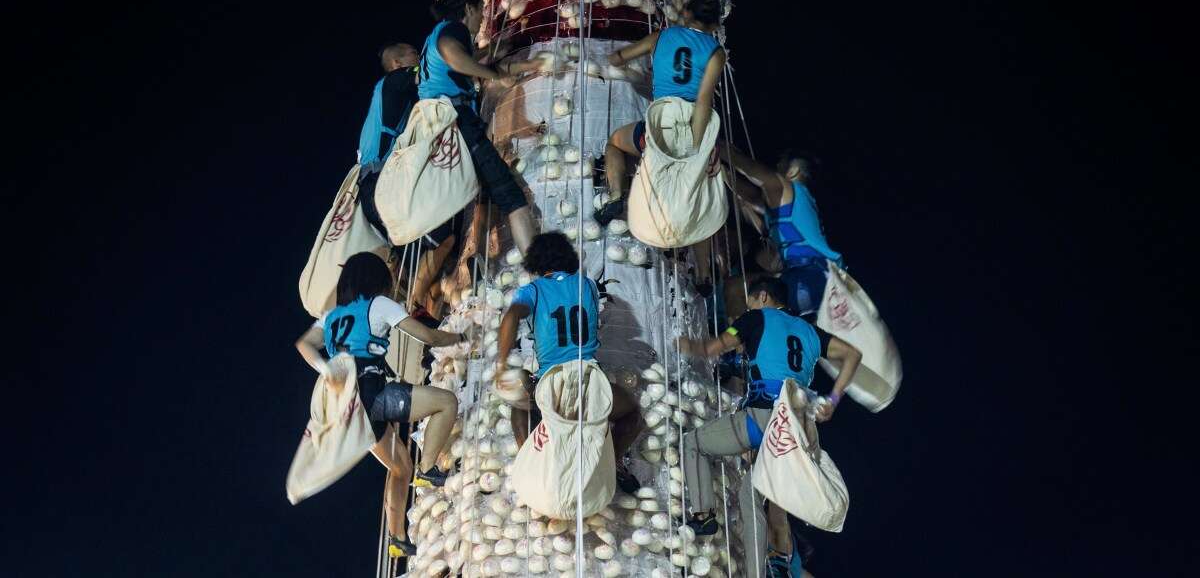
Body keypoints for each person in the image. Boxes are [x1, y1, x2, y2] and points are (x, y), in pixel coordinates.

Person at [294, 252, 466, 558]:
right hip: (372, 394)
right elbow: (426, 335)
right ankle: (427, 469)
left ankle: (397, 537)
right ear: (377, 280)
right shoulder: (378, 304)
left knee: (399, 466)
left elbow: (304, 344)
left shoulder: (330, 317)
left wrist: (325, 368)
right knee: (445, 402)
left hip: (348, 409)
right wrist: (461, 335)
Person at [675, 276, 861, 549]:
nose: (749, 306)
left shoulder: (756, 318)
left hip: (762, 417)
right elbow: (853, 354)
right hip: (794, 427)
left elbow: (712, 348)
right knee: (752, 501)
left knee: (693, 443)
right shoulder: (810, 331)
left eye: (750, 300)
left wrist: (687, 345)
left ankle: (703, 516)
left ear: (762, 297)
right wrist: (832, 399)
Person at [491, 232, 643, 492]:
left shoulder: (533, 291)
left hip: (552, 384)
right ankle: (614, 461)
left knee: (520, 402)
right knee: (632, 414)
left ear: (536, 265)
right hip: (588, 381)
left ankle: (527, 459)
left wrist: (501, 364)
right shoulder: (588, 286)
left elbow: (512, 316)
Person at [418, 0, 544, 252]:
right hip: (456, 121)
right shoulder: (454, 30)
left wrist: (529, 64)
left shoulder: (433, 38)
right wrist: (495, 74)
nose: (482, 20)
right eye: (481, 11)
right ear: (469, 8)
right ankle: (540, 273)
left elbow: (479, 60)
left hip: (437, 128)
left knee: (482, 194)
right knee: (511, 196)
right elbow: (456, 57)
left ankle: (476, 256)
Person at [594, 0, 727, 225]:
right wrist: (697, 149)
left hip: (659, 128)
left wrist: (619, 59)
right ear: (715, 24)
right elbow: (704, 100)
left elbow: (616, 59)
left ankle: (616, 196)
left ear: (686, 12)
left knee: (614, 142)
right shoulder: (716, 53)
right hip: (690, 125)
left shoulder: (661, 36)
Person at [728, 150, 843, 316]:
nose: (775, 168)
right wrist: (722, 172)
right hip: (812, 280)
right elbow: (751, 198)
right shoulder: (796, 205)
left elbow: (754, 171)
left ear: (793, 170)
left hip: (808, 279)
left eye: (779, 165)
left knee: (736, 289)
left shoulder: (792, 190)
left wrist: (720, 148)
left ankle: (738, 340)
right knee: (750, 290)